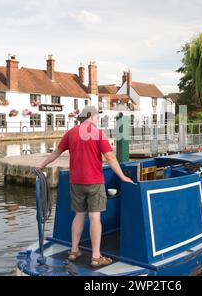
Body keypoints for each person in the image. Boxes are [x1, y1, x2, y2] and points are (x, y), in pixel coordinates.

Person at [39, 105, 133, 268]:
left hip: (76, 182)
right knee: (95, 217)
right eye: (97, 117)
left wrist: (41, 165)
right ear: (91, 116)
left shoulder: (71, 133)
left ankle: (74, 251)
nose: (98, 119)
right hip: (94, 181)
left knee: (79, 215)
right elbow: (110, 157)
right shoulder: (98, 134)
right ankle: (96, 256)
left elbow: (56, 153)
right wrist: (122, 176)